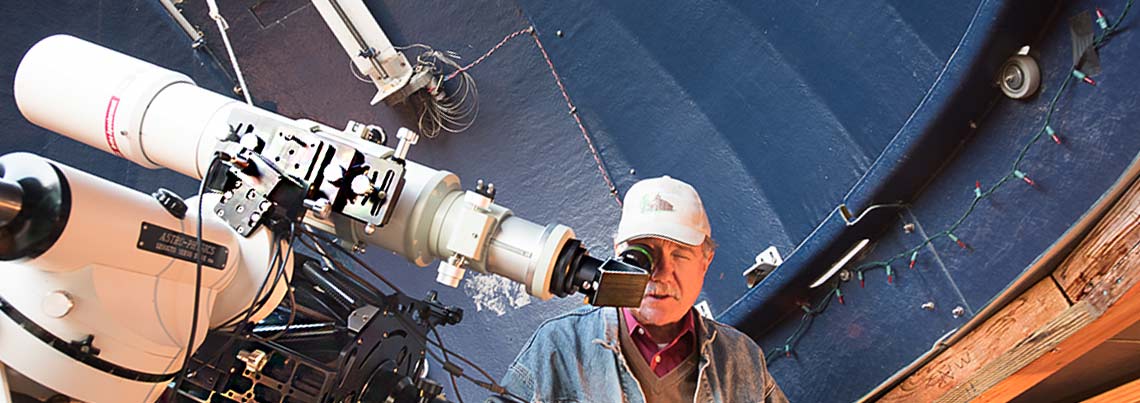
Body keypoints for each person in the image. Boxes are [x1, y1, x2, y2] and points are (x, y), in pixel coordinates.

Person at [495, 176, 787, 402]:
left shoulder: (740, 358)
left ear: (706, 261)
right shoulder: (558, 346)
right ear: (617, 252)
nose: (659, 274)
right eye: (642, 255)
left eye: (680, 255)